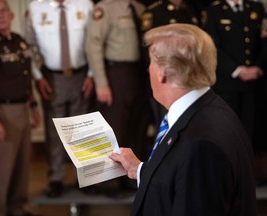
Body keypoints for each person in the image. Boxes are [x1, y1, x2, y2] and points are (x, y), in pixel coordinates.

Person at [110, 23, 257, 216]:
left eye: (151, 62)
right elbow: (182, 181)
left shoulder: (201, 146)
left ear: (162, 73)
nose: (148, 69)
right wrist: (139, 170)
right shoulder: (211, 107)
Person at [25, 0, 94, 198]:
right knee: (55, 131)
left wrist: (91, 74)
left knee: (81, 128)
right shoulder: (35, 8)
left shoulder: (85, 5)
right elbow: (28, 47)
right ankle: (56, 178)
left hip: (81, 74)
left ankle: (84, 177)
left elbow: (93, 41)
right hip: (51, 77)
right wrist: (37, 77)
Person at [0, 0, 41, 215]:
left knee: (22, 163)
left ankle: (17, 207)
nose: (0, 15)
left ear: (11, 14)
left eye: (3, 10)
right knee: (2, 167)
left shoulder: (19, 42)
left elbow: (26, 79)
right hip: (2, 112)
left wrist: (33, 106)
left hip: (22, 107)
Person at [85, 0, 146, 194]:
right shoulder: (105, 9)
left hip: (137, 73)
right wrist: (102, 83)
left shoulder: (139, 8)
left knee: (134, 127)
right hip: (115, 72)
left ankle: (130, 177)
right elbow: (93, 46)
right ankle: (107, 183)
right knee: (112, 129)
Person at [203, 0, 266, 150]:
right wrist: (237, 70)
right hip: (227, 83)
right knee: (227, 130)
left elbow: (263, 41)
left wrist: (259, 67)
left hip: (254, 81)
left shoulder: (256, 8)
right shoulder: (213, 11)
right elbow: (212, 47)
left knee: (252, 129)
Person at [141, 0, 199, 130]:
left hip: (188, 78)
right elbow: (147, 48)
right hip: (165, 77)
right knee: (165, 123)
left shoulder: (189, 10)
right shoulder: (154, 12)